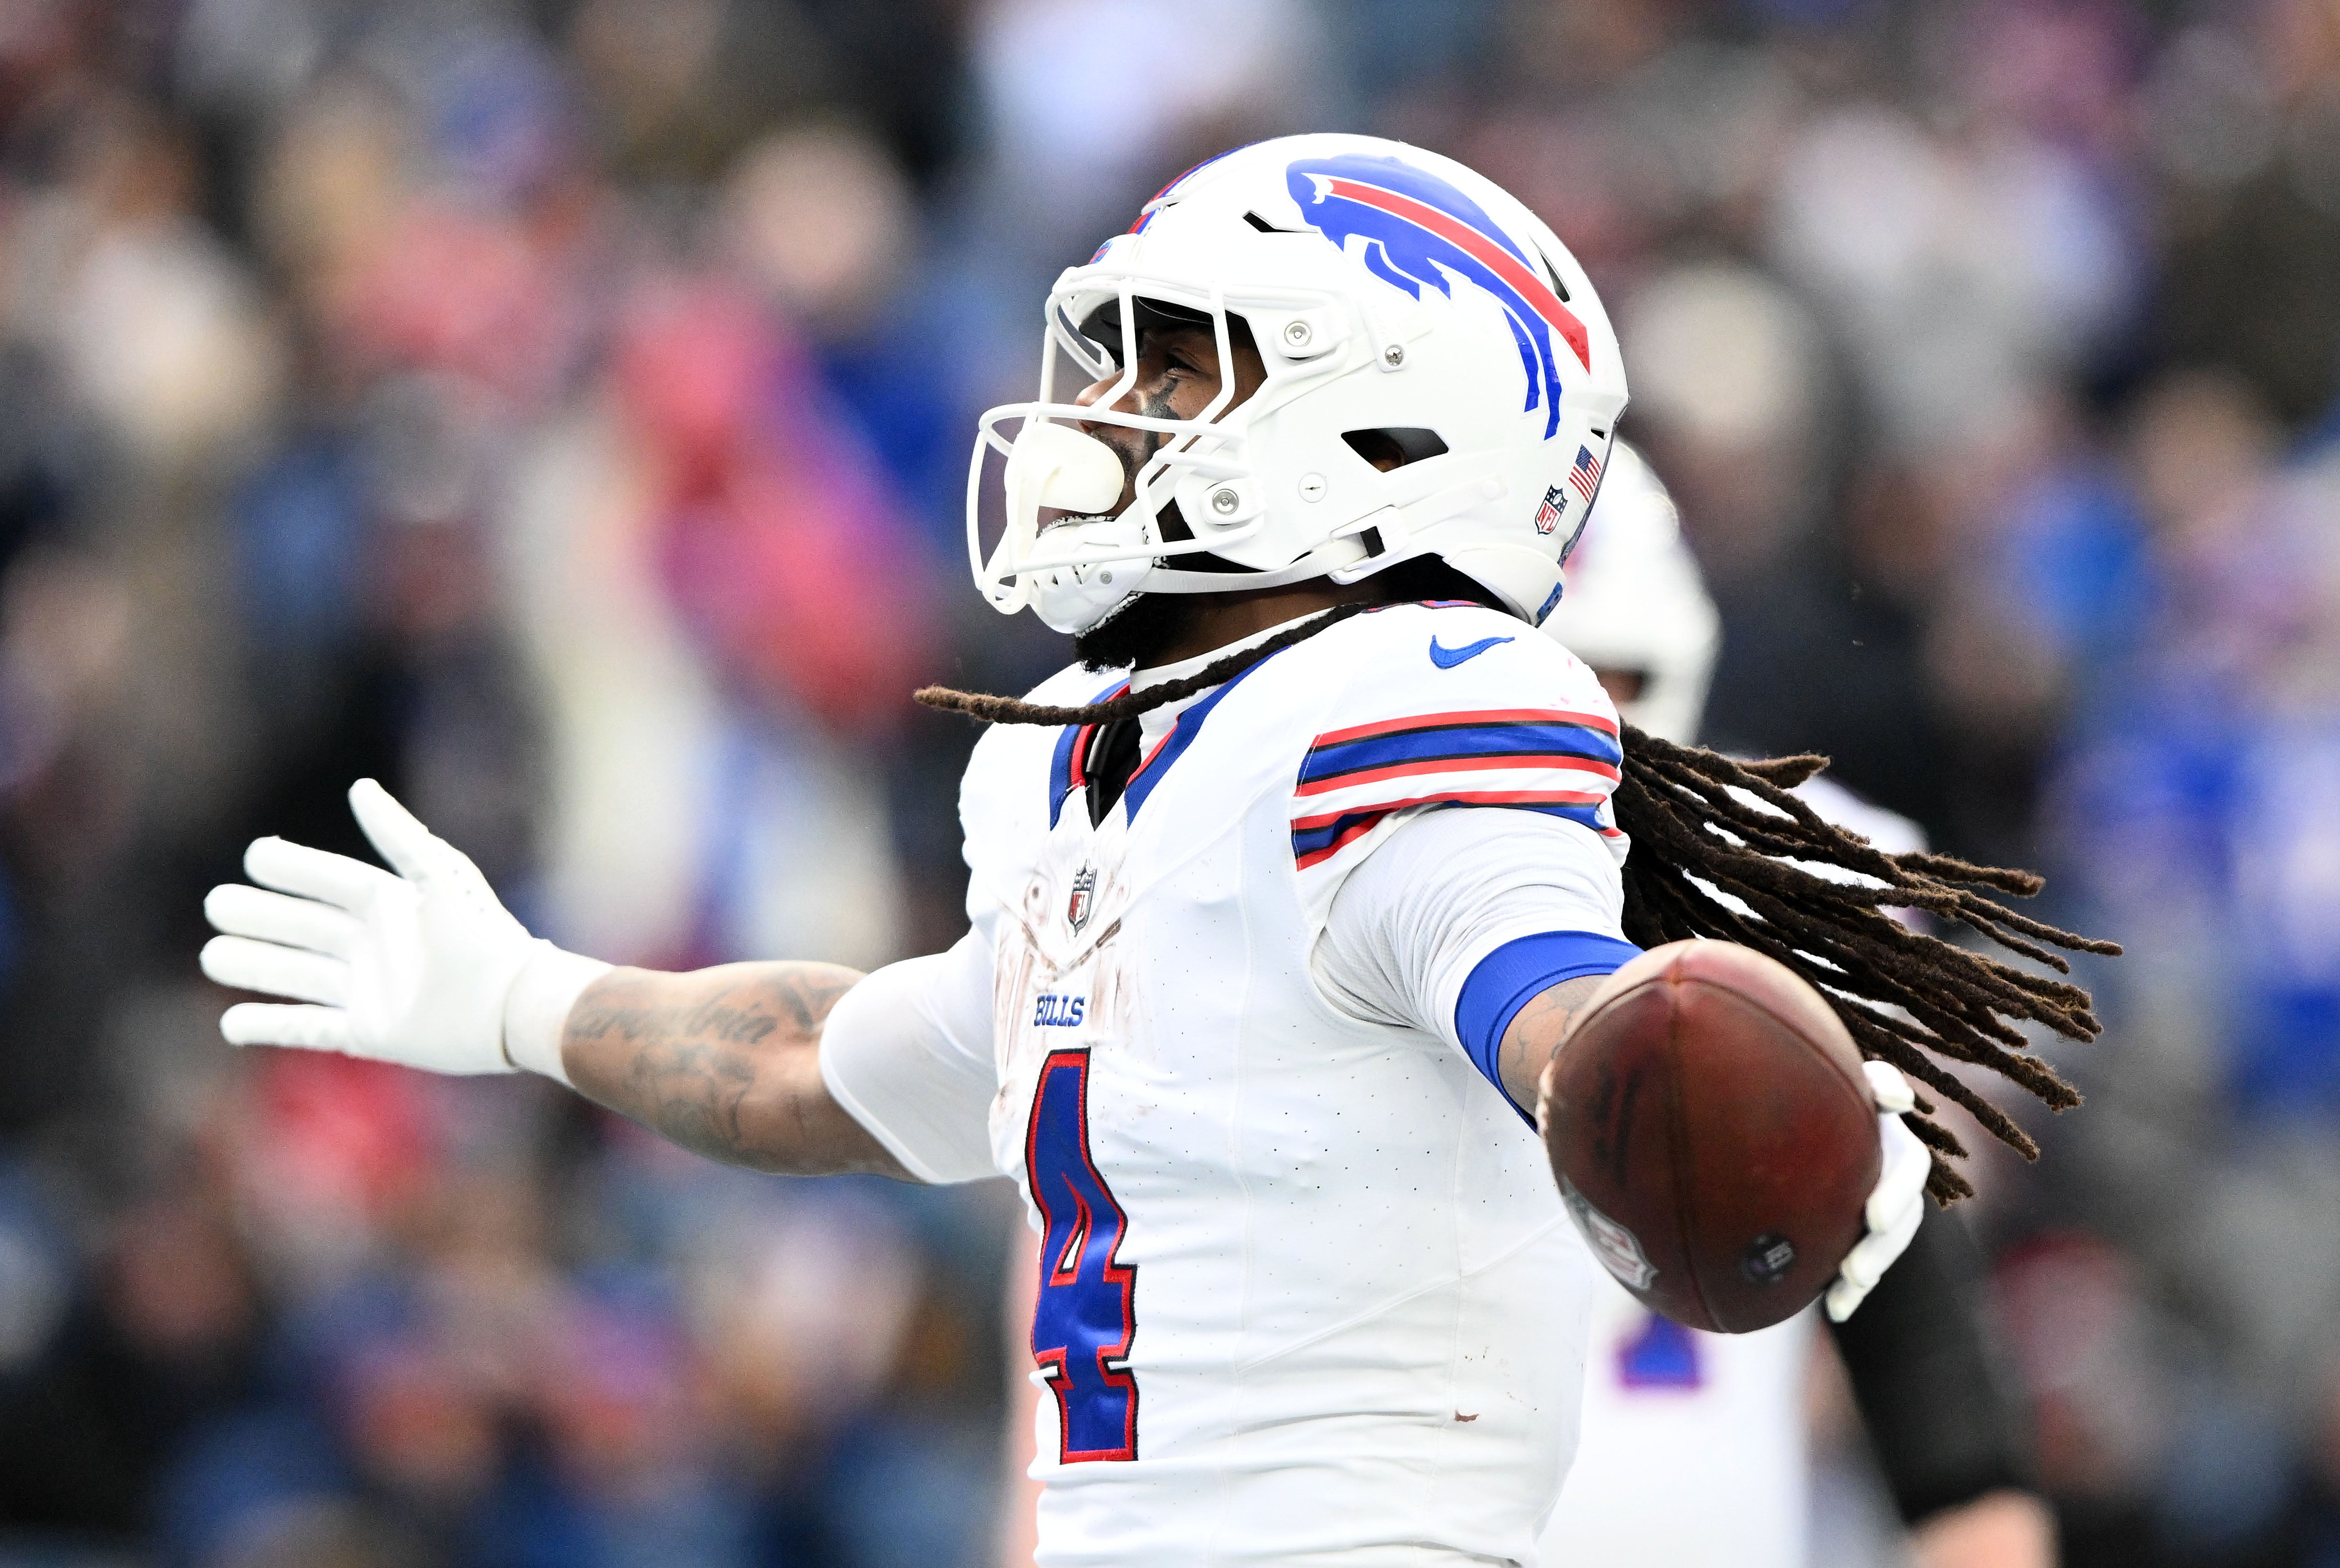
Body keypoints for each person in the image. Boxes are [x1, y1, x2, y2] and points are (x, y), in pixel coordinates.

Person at [200, 135, 2109, 1566]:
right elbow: (842, 1061)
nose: (1109, 413)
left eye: (1180, 366)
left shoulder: (1406, 696)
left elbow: (1524, 971)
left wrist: (1658, 1067)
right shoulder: (1093, 765)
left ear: (1384, 425)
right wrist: (525, 997)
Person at [1536, 447, 2056, 1568]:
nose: (1574, 717)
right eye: (1537, 673)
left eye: (1603, 674)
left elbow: (1910, 1302)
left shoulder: (1789, 875)